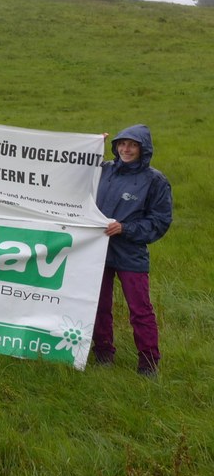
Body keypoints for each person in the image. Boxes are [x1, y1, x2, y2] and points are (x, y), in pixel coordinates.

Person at [92, 124, 172, 377]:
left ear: (143, 149)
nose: (126, 149)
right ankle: (103, 353)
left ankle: (148, 363)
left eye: (132, 145)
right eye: (121, 144)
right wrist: (91, 147)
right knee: (98, 305)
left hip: (130, 252)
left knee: (140, 309)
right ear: (115, 146)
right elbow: (71, 172)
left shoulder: (155, 181)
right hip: (96, 250)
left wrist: (125, 229)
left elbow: (159, 221)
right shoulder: (103, 170)